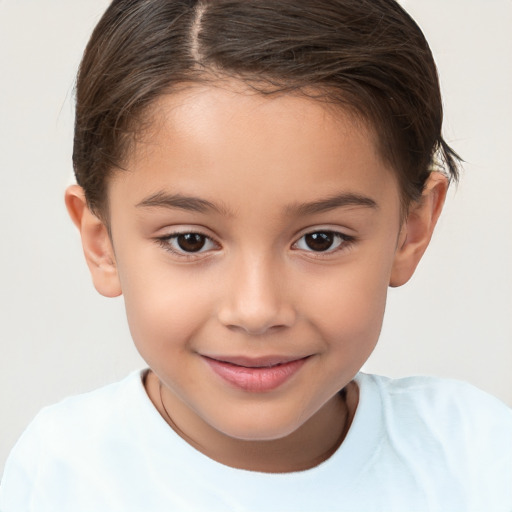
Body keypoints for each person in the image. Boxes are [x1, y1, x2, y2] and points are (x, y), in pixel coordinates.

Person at [1, 0, 510, 510]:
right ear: (101, 242)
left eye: (320, 239)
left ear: (411, 229)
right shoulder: (61, 474)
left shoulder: (476, 458)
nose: (257, 310)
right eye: (190, 241)